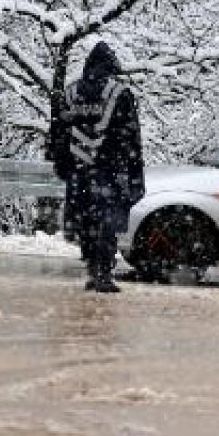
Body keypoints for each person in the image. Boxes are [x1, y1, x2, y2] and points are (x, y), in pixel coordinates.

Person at [50, 41, 145, 293]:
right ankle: (103, 272)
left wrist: (62, 165)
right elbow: (131, 138)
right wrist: (136, 176)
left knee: (86, 221)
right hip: (110, 170)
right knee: (107, 222)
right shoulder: (119, 93)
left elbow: (58, 133)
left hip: (78, 171)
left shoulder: (70, 93)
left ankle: (93, 269)